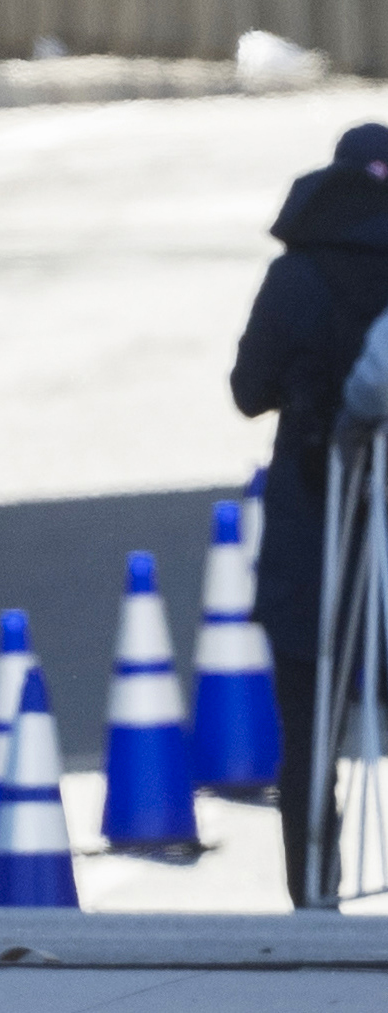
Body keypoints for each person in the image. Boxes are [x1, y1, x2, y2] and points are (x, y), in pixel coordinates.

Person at [232, 122, 388, 907]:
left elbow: (246, 390)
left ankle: (314, 897)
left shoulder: (298, 273)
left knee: (309, 727)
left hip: (315, 511)